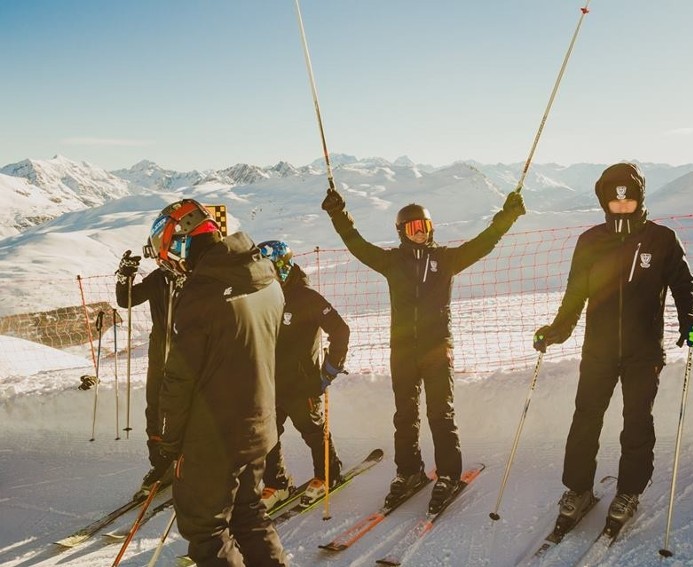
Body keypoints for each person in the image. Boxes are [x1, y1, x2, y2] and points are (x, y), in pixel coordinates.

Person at [322, 186, 525, 513]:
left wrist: (508, 215)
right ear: (401, 231)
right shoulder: (390, 261)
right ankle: (409, 471)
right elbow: (356, 244)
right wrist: (338, 214)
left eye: (425, 227)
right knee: (405, 416)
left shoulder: (446, 259)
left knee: (440, 414)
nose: (420, 234)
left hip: (436, 349)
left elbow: (484, 243)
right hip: (402, 351)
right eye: (413, 228)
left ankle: (448, 474)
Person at [532, 162, 693, 527]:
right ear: (604, 203)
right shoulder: (590, 241)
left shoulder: (662, 239)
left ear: (640, 199)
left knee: (637, 421)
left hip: (644, 351)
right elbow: (574, 296)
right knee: (585, 419)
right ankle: (578, 489)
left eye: (629, 200)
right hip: (599, 350)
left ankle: (629, 491)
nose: (622, 206)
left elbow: (683, 287)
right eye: (615, 202)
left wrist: (692, 321)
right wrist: (557, 330)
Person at [147, 199, 289, 566]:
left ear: (180, 242)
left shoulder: (201, 292)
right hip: (258, 426)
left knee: (207, 531)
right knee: (250, 515)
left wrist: (168, 439)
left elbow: (179, 377)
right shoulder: (266, 278)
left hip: (212, 439)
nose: (169, 259)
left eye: (168, 248)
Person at [257, 239, 351, 509]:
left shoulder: (306, 297)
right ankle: (277, 483)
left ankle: (328, 476)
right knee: (267, 435)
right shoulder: (262, 299)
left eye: (270, 269)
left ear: (283, 267)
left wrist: (329, 370)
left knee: (313, 432)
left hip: (303, 384)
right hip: (270, 383)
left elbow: (340, 331)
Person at [114, 250, 179, 496]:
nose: (164, 263)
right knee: (155, 407)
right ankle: (161, 466)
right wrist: (125, 276)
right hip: (159, 353)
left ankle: (191, 462)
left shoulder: (197, 278)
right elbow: (126, 300)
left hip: (189, 354)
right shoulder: (158, 278)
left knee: (190, 408)